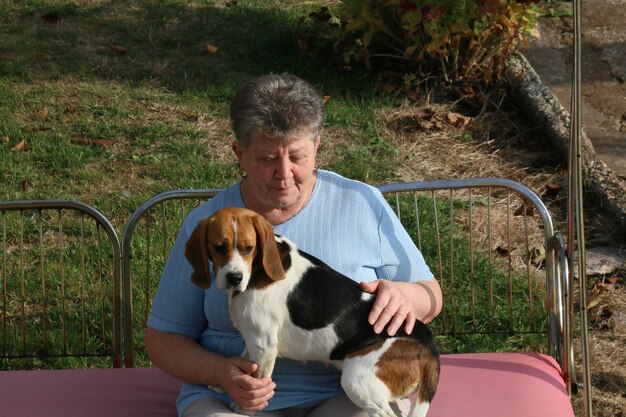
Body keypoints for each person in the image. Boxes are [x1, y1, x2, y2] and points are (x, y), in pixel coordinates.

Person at [145, 73, 443, 417]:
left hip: (341, 392)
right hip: (227, 397)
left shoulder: (360, 203)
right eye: (267, 159)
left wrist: (409, 296)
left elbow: (431, 296)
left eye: (298, 157)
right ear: (239, 154)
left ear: (317, 146)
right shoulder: (209, 226)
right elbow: (163, 339)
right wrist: (219, 372)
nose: (284, 173)